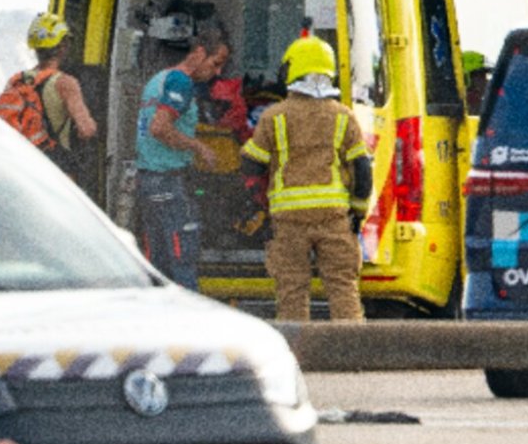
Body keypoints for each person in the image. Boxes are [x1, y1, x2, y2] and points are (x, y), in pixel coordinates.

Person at [240, 34, 372, 323]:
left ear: (292, 70)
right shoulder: (344, 116)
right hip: (334, 218)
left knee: (292, 291)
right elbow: (363, 170)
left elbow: (251, 165)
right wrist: (358, 213)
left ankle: (299, 356)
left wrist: (257, 206)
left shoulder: (274, 117)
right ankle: (352, 354)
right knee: (342, 288)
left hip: (288, 220)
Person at [134, 19, 232, 290]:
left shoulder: (159, 79)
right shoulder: (181, 82)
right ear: (199, 53)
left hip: (148, 180)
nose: (218, 71)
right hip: (168, 180)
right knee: (183, 258)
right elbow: (160, 127)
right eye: (216, 63)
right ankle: (190, 324)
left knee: (158, 261)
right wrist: (198, 146)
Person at [28, 13, 98, 191]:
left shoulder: (19, 80)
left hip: (25, 166)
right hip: (56, 167)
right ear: (62, 47)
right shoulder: (65, 83)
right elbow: (86, 129)